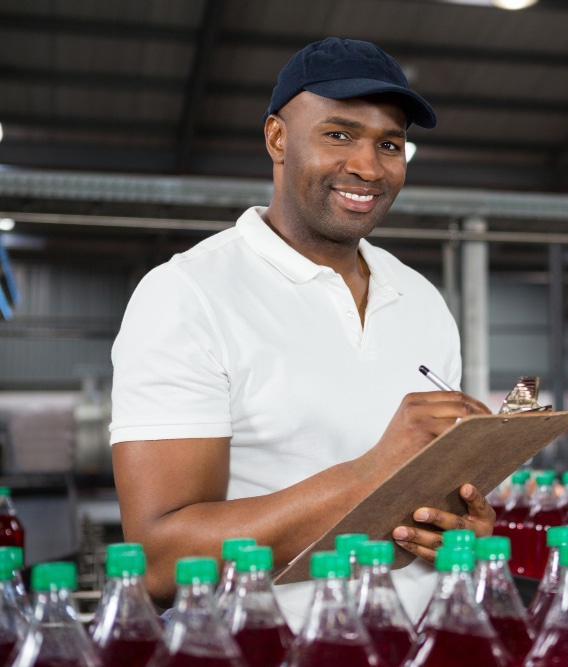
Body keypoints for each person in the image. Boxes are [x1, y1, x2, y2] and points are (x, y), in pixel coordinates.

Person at [109, 37, 495, 630]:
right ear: (277, 139)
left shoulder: (420, 298)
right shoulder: (189, 295)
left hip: (418, 641)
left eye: (389, 144)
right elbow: (160, 562)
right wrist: (371, 473)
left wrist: (459, 526)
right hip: (266, 646)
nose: (368, 167)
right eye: (339, 134)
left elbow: (427, 500)